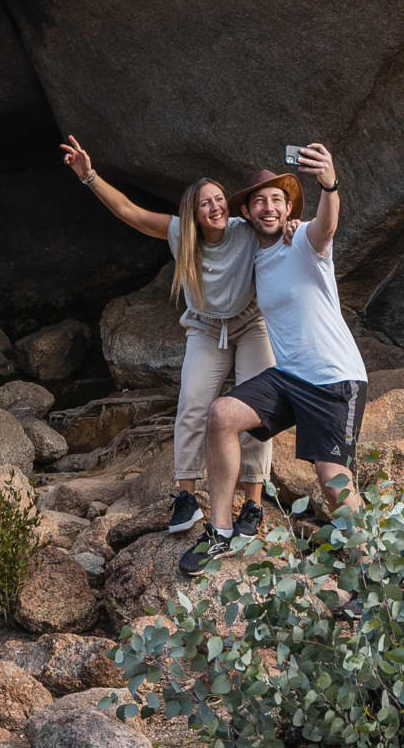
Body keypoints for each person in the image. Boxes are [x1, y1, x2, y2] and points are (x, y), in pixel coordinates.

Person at [60, 135, 274, 537]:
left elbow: (277, 221)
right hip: (206, 327)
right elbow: (130, 212)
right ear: (193, 212)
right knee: (192, 405)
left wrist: (293, 221)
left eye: (219, 199)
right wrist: (89, 176)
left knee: (256, 410)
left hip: (251, 323)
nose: (215, 207)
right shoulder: (180, 233)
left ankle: (253, 504)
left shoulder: (245, 231)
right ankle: (187, 497)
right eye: (205, 202)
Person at [193, 141, 361, 570]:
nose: (269, 208)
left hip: (333, 379)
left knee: (332, 482)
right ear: (246, 214)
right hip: (289, 376)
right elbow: (208, 238)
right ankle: (220, 532)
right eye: (259, 202)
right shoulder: (257, 255)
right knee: (222, 415)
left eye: (277, 201)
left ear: (289, 210)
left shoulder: (304, 240)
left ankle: (373, 573)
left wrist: (330, 184)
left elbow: (327, 226)